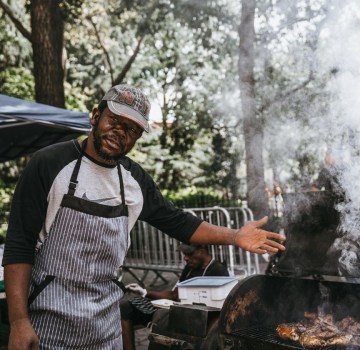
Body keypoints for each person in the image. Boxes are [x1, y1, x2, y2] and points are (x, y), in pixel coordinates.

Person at [2, 84, 285, 349]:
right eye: (114, 121)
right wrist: (19, 321)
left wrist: (234, 236)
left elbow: (179, 223)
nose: (120, 132)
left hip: (105, 328)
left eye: (131, 129)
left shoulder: (134, 180)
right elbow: (19, 247)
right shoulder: (49, 164)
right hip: (49, 326)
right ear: (95, 116)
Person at [120, 244, 228, 350]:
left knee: (161, 318)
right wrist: (144, 292)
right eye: (184, 254)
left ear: (202, 251)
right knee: (126, 306)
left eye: (189, 254)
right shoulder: (190, 267)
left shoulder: (218, 270)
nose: (185, 258)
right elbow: (174, 295)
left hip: (194, 316)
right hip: (174, 306)